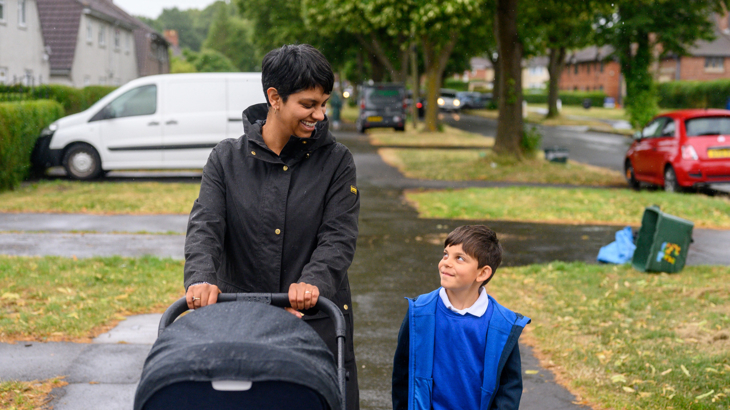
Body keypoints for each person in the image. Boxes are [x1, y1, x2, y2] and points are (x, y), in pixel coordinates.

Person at [183, 44, 360, 410]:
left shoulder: (337, 162)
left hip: (316, 322)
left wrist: (314, 282)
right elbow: (206, 225)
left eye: (324, 103)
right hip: (240, 320)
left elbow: (338, 236)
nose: (320, 115)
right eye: (309, 104)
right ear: (274, 98)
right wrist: (200, 276)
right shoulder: (226, 159)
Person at [391, 225, 530, 410]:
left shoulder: (503, 325)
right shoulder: (420, 311)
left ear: (482, 273)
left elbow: (509, 388)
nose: (446, 262)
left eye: (460, 258)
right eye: (446, 254)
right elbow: (402, 375)